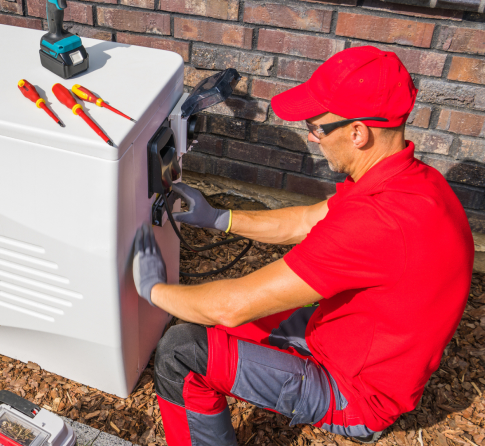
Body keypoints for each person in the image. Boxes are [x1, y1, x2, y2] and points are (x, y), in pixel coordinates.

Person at [131, 45, 475, 446]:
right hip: (350, 341)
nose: (314, 139)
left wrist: (152, 290)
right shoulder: (413, 182)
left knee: (180, 351)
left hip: (357, 394)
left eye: (317, 128)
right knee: (222, 315)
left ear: (358, 132)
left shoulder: (378, 222)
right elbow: (310, 219)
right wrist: (219, 218)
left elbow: (229, 307)